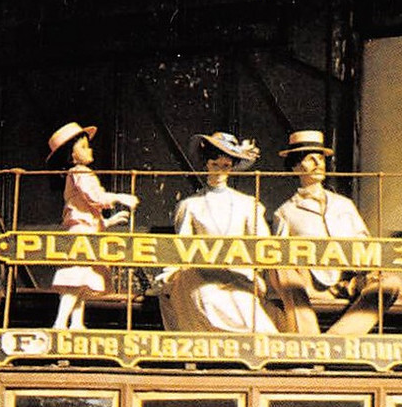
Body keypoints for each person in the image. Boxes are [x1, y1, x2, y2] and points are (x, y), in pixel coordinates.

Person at [157, 131, 277, 334]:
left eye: (226, 166)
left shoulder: (247, 204)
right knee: (205, 297)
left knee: (245, 306)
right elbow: (181, 248)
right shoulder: (191, 206)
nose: (220, 171)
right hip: (202, 276)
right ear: (206, 165)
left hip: (238, 275)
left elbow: (262, 245)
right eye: (215, 165)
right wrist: (171, 274)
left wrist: (258, 274)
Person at [265, 129, 371, 335]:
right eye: (310, 158)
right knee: (281, 269)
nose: (317, 163)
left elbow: (366, 243)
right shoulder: (285, 212)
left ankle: (339, 338)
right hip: (309, 288)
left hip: (350, 283)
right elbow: (278, 259)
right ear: (296, 167)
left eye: (321, 158)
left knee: (390, 284)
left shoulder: (344, 205)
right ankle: (311, 338)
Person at [46, 122, 139, 329]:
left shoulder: (79, 173)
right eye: (84, 146)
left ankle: (76, 322)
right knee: (76, 277)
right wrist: (121, 197)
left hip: (87, 229)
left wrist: (108, 221)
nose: (90, 150)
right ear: (72, 154)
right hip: (80, 233)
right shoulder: (80, 171)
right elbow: (94, 197)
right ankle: (60, 322)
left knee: (83, 279)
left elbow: (88, 212)